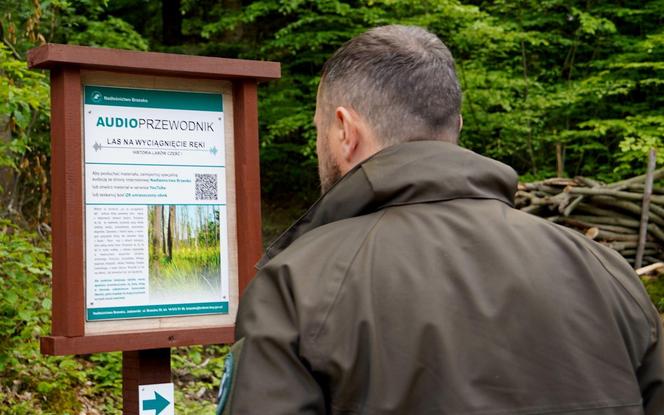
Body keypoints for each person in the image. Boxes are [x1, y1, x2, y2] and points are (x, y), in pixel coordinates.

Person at [217, 25, 664, 415]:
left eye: (319, 131)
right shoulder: (607, 273)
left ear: (344, 131)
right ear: (457, 126)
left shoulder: (297, 284)